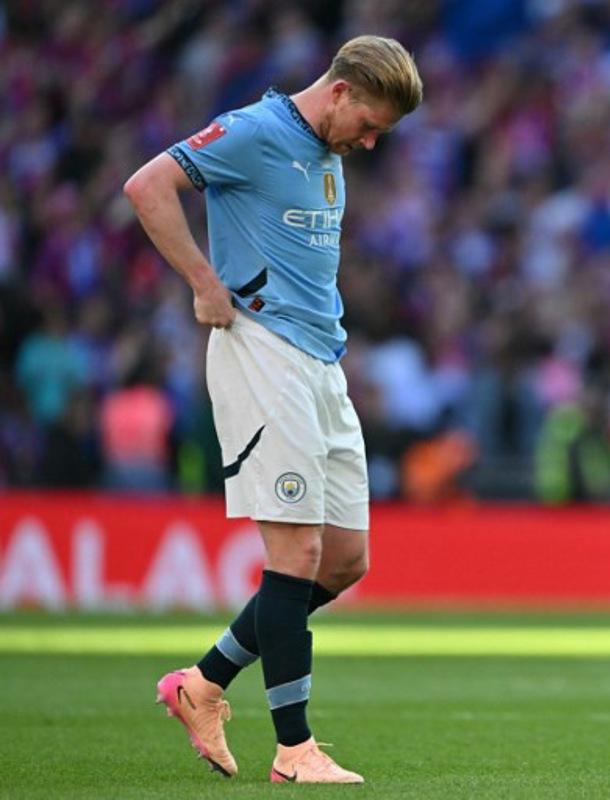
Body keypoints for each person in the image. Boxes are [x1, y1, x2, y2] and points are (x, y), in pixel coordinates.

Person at [124, 36, 422, 783]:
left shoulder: (327, 152)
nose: (371, 140)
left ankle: (201, 684)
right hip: (262, 352)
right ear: (343, 90)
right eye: (370, 122)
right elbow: (146, 185)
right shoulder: (255, 132)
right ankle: (294, 750)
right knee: (295, 557)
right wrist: (201, 280)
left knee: (347, 559)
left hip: (322, 361)